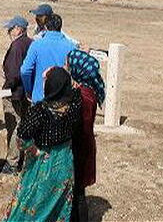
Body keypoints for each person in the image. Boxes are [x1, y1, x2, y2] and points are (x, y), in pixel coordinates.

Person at [4, 67, 81, 222]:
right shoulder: (74, 107)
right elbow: (77, 91)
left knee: (31, 202)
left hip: (42, 164)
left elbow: (21, 138)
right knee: (57, 205)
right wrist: (66, 77)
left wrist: (32, 149)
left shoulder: (39, 111)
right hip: (64, 163)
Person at [65, 49, 105, 222]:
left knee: (78, 193)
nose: (66, 66)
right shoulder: (88, 91)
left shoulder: (82, 97)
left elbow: (78, 124)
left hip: (79, 148)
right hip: (85, 145)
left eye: (68, 64)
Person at [0, 15, 33, 175]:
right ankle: (23, 159)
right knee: (23, 125)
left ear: (19, 29)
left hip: (14, 93)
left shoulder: (17, 47)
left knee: (14, 126)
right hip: (26, 92)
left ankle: (12, 163)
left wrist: (7, 87)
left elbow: (14, 73)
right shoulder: (30, 43)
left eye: (10, 29)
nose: (9, 32)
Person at [20, 14, 77, 104]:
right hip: (63, 100)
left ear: (46, 27)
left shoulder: (36, 45)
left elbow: (25, 70)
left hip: (40, 98)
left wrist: (29, 89)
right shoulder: (71, 47)